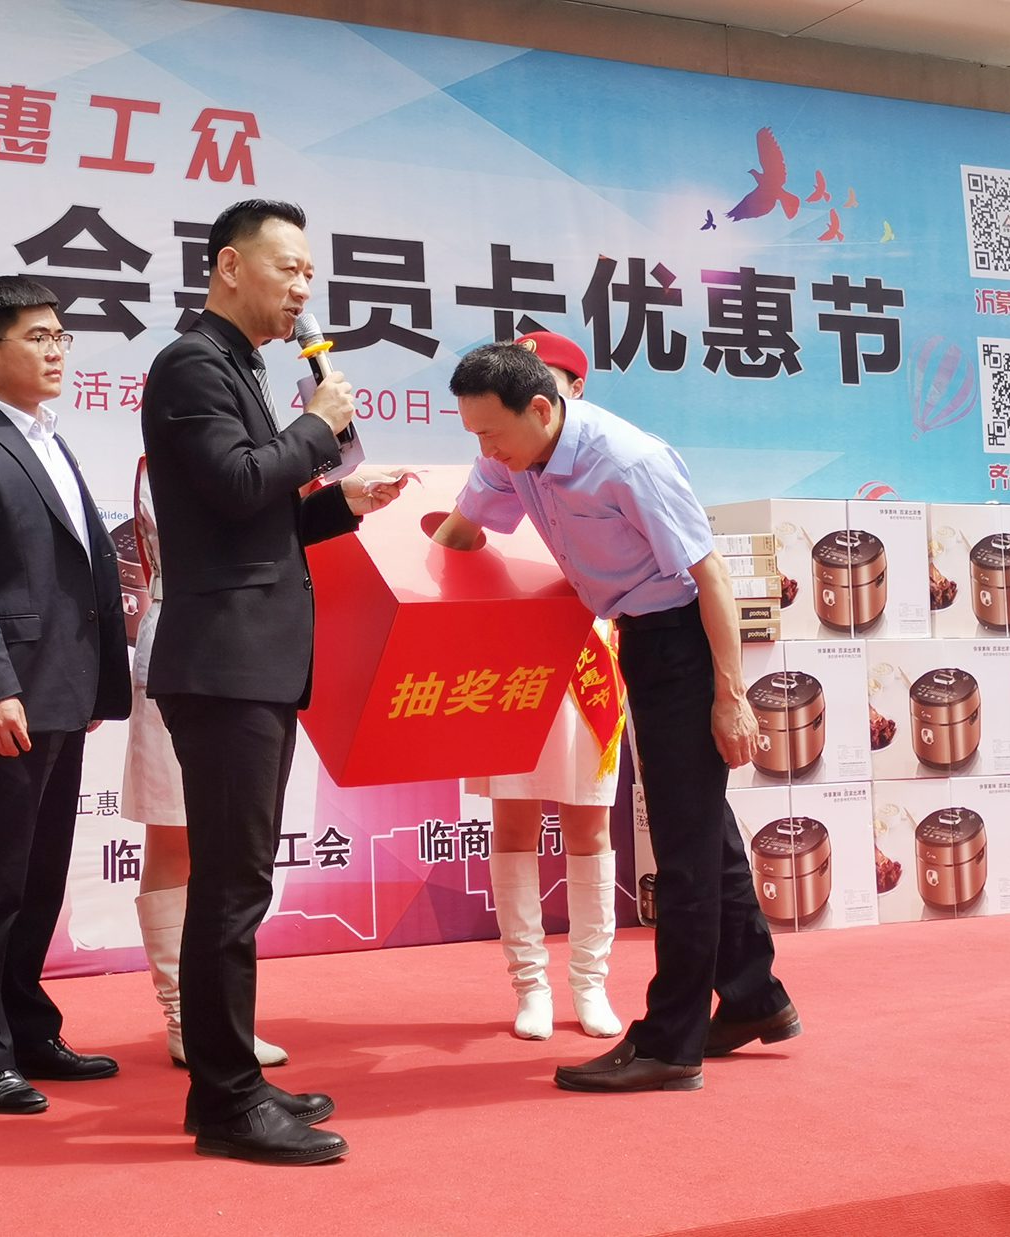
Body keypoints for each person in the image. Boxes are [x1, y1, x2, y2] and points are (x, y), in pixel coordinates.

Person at [433, 343, 796, 1094]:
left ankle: (671, 1044)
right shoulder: (512, 454)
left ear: (542, 409)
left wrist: (730, 696)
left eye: (491, 433)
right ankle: (755, 996)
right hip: (637, 638)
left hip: (685, 645)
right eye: (474, 434)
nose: (485, 451)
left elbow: (710, 576)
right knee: (705, 830)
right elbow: (462, 533)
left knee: (684, 851)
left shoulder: (628, 462)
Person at [141, 197, 402, 1165]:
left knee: (238, 879)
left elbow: (251, 516)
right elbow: (237, 483)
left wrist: (340, 502)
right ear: (227, 267)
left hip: (250, 660)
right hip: (224, 661)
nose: (302, 288)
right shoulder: (191, 365)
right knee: (230, 885)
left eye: (308, 273)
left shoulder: (236, 368)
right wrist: (318, 428)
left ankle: (235, 1081)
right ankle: (225, 1100)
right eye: (287, 268)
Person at [0, 276, 132, 1116]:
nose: (56, 351)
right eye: (38, 337)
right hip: (2, 698)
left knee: (38, 876)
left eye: (61, 337)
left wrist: (91, 680)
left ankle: (27, 1027)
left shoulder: (50, 441)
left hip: (61, 692)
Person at [451, 332, 624, 1043]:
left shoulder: (607, 461)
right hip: (513, 657)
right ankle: (530, 984)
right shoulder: (498, 465)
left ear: (567, 393)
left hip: (585, 656)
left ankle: (591, 981)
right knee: (514, 820)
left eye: (542, 381)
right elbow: (456, 540)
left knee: (589, 824)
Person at [123, 456, 289, 1070]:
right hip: (183, 643)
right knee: (174, 834)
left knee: (233, 845)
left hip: (247, 651)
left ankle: (217, 1020)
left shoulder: (260, 464)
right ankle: (182, 1017)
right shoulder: (178, 461)